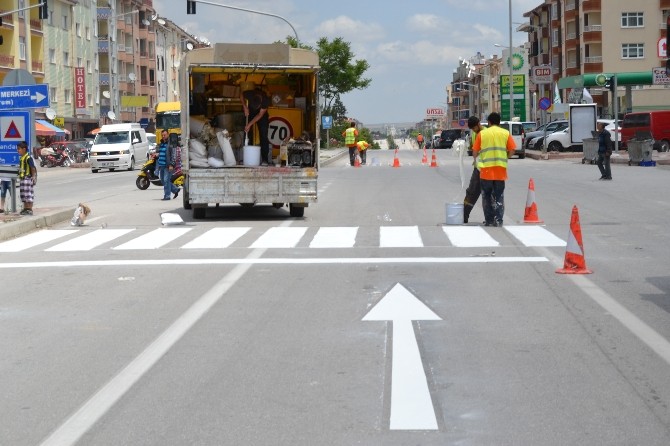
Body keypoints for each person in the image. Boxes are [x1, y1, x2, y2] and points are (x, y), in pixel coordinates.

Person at [472, 112, 516, 227]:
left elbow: (475, 151)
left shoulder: (483, 134)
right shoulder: (505, 133)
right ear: (499, 122)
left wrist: (476, 161)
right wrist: (506, 157)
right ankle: (499, 220)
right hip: (500, 171)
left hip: (486, 171)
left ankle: (489, 220)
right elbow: (512, 150)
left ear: (489, 122)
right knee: (499, 195)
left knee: (486, 196)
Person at [241, 86, 271, 165]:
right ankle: (248, 157)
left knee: (263, 135)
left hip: (262, 115)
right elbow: (241, 95)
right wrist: (244, 106)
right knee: (247, 132)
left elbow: (260, 115)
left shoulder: (266, 100)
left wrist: (250, 124)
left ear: (260, 103)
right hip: (250, 112)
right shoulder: (250, 94)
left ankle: (265, 159)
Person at [463, 116, 484, 223]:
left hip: (484, 167)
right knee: (471, 192)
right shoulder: (474, 133)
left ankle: (490, 217)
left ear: (478, 124)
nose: (474, 130)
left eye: (474, 128)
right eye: (472, 129)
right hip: (478, 166)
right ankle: (464, 215)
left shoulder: (485, 133)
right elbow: (473, 148)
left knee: (486, 193)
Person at [156, 130, 180, 201]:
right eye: (162, 135)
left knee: (166, 181)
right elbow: (161, 152)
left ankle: (167, 196)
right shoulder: (162, 143)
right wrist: (157, 154)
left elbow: (173, 154)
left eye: (165, 135)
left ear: (168, 134)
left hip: (168, 166)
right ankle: (175, 190)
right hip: (161, 165)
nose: (163, 136)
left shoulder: (171, 143)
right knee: (163, 181)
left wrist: (171, 164)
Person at [17, 141, 36, 215]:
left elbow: (32, 168)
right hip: (22, 178)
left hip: (27, 178)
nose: (18, 150)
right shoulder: (22, 158)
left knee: (28, 194)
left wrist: (33, 177)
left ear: (24, 149)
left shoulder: (28, 158)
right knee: (23, 194)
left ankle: (30, 209)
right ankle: (25, 208)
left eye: (19, 149)